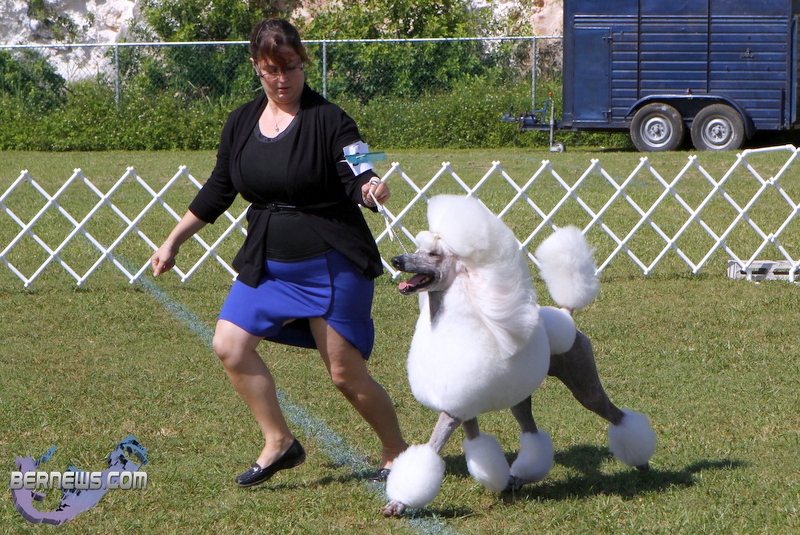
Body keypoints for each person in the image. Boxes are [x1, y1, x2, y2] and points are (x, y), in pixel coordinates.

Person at [150, 17, 407, 488]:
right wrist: (173, 240)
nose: (282, 78)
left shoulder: (331, 119)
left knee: (345, 375)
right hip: (268, 261)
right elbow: (219, 189)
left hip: (332, 264)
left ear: (303, 62)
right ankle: (279, 441)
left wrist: (372, 187)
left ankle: (396, 451)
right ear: (256, 67)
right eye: (272, 69)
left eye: (291, 67)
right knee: (229, 345)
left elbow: (359, 173)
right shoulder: (240, 122)